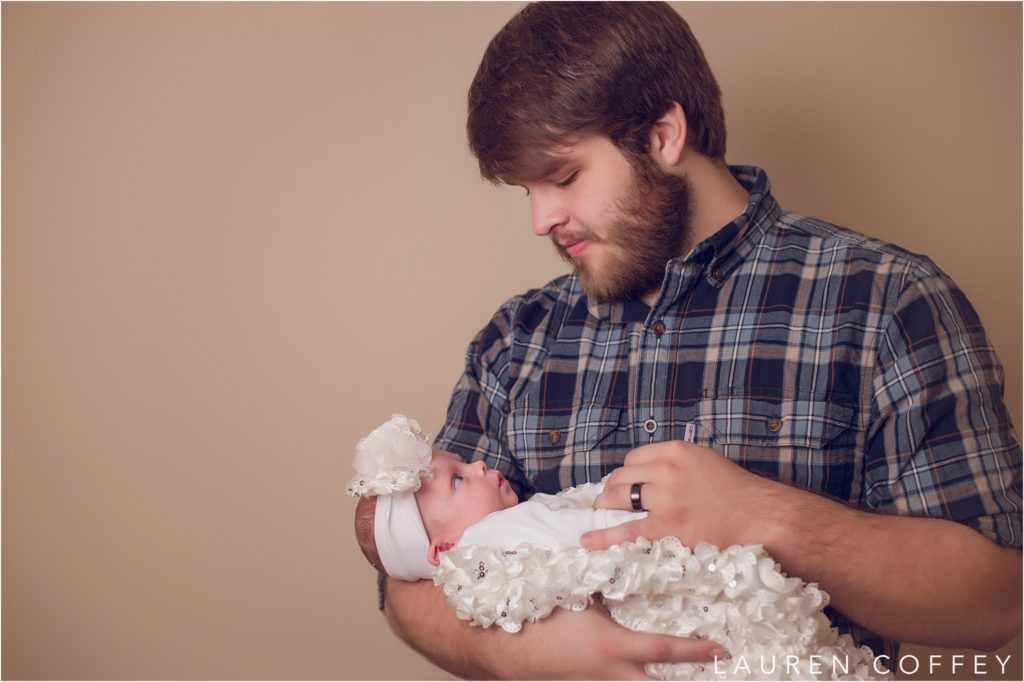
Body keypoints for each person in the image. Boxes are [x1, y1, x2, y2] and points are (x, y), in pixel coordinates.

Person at [381, 3, 1023, 679]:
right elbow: (406, 576)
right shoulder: (516, 341)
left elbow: (997, 599)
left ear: (663, 135)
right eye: (527, 190)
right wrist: (514, 650)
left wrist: (761, 515)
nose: (542, 219)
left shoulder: (887, 302)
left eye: (564, 177)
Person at [349, 415, 886, 680]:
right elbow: (586, 537)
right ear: (443, 549)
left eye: (462, 464)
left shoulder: (504, 524)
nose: (480, 464)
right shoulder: (496, 537)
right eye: (459, 480)